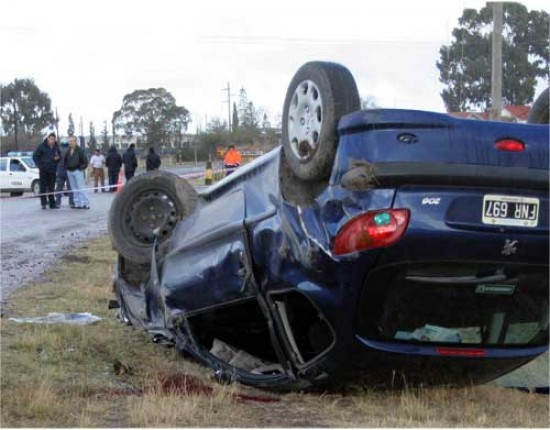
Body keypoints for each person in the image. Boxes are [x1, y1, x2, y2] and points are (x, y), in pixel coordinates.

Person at [33, 132, 61, 209]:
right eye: (51, 139)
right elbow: (35, 156)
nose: (52, 141)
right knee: (43, 187)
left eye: (54, 139)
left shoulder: (56, 147)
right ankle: (43, 203)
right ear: (48, 138)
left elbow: (59, 157)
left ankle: (52, 203)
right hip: (43, 170)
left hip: (52, 170)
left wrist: (57, 159)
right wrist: (40, 165)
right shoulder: (41, 146)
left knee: (51, 187)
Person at [64, 136, 90, 209]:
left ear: (76, 142)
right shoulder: (68, 151)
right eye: (69, 141)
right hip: (69, 171)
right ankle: (77, 203)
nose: (70, 143)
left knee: (81, 187)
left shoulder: (80, 150)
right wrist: (66, 167)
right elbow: (65, 160)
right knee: (74, 188)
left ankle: (85, 203)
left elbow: (85, 161)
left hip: (77, 171)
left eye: (72, 141)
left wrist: (81, 168)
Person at [55, 141, 74, 208]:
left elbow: (55, 160)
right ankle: (71, 202)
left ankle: (57, 202)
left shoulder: (57, 150)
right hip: (69, 170)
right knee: (70, 188)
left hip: (60, 171)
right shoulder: (71, 150)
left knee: (59, 187)